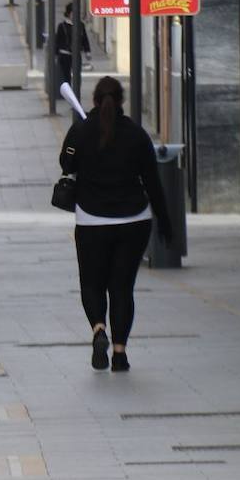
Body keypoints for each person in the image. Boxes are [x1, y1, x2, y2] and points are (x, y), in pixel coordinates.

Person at [59, 77, 173, 372]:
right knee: (122, 288)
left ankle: (99, 330)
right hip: (133, 221)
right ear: (121, 101)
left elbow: (66, 164)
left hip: (92, 220)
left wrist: (77, 134)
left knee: (92, 284)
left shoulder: (82, 131)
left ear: (95, 100)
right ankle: (120, 354)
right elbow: (152, 182)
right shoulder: (136, 135)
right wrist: (166, 223)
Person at [53, 2, 92, 92]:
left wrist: (87, 51)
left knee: (77, 74)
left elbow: (84, 39)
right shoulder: (62, 26)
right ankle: (68, 92)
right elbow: (57, 41)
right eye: (73, 13)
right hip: (65, 54)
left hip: (76, 54)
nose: (75, 15)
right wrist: (55, 54)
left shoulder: (81, 25)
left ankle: (76, 91)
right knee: (66, 75)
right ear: (68, 13)